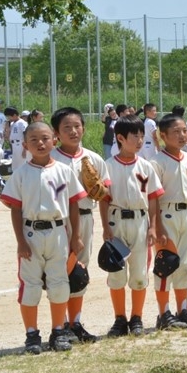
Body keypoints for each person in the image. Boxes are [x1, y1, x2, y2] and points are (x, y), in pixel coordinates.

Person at [1, 122, 86, 354]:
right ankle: (32, 334)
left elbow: (74, 205)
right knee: (30, 285)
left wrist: (76, 236)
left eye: (45, 138)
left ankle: (58, 331)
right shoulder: (21, 174)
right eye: (34, 140)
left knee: (59, 283)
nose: (40, 143)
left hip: (58, 232)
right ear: (25, 145)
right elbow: (15, 209)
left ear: (54, 140)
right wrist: (20, 241)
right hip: (31, 234)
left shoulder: (64, 171)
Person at [100, 115, 165, 337]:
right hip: (116, 220)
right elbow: (104, 199)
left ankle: (136, 317)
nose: (139, 140)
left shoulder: (146, 166)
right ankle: (119, 318)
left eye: (141, 135)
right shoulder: (108, 166)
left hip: (140, 220)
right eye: (134, 136)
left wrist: (153, 227)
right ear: (120, 138)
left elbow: (153, 198)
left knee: (139, 272)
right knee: (116, 273)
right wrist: (105, 227)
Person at [51, 107, 111, 343]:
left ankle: (74, 323)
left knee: (79, 270)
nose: (73, 131)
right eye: (66, 127)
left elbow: (106, 194)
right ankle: (60, 325)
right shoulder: (51, 159)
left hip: (85, 217)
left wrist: (99, 190)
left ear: (84, 128)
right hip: (59, 221)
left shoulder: (93, 158)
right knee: (60, 271)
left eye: (77, 126)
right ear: (56, 133)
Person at [150, 114, 187, 330]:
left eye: (184, 130)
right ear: (163, 136)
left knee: (183, 264)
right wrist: (157, 227)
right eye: (176, 132)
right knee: (166, 264)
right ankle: (163, 314)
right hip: (166, 215)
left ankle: (182, 309)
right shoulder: (157, 162)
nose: (182, 135)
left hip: (185, 214)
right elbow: (153, 199)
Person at [5, 107, 28, 173]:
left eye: (9, 116)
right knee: (15, 166)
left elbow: (26, 135)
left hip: (21, 145)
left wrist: (25, 150)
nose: (8, 118)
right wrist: (7, 128)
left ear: (14, 115)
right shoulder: (12, 123)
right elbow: (7, 137)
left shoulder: (22, 123)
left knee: (22, 165)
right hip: (14, 145)